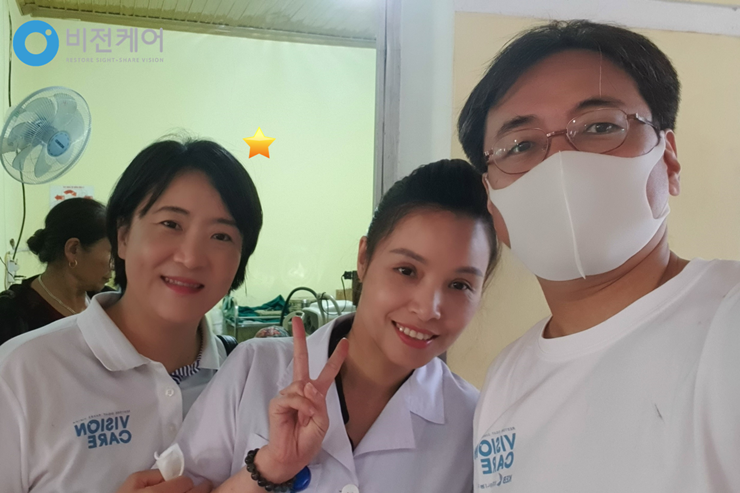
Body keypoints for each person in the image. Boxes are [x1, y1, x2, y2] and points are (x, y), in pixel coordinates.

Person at [458, 20, 740, 492]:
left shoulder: (726, 327)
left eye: (600, 127)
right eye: (521, 145)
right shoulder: (506, 380)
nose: (560, 162)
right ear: (493, 203)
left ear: (668, 159)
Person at [173, 159, 498, 493]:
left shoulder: (474, 423)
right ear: (364, 258)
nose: (428, 309)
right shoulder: (254, 369)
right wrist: (268, 468)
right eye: (406, 270)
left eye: (459, 285)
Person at [0, 138, 263, 493]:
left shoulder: (247, 382)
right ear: (122, 237)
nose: (191, 258)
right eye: (171, 224)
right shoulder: (20, 374)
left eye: (221, 235)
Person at [0, 197, 112, 344]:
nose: (116, 264)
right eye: (112, 253)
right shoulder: (10, 315)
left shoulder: (108, 303)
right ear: (73, 250)